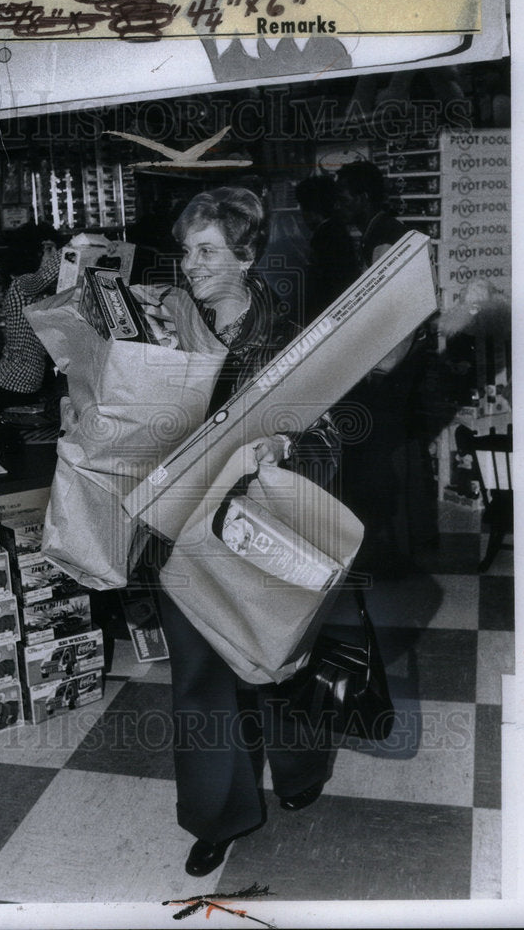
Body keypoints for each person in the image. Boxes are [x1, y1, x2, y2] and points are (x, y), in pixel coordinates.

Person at [148, 187, 343, 877]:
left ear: (247, 254)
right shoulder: (170, 334)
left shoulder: (288, 339)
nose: (190, 265)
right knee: (200, 675)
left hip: (263, 528)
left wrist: (281, 450)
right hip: (185, 530)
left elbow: (326, 441)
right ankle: (218, 815)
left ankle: (299, 769)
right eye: (185, 251)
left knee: (278, 660)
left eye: (206, 251)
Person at [333, 161, 430, 568]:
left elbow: (391, 314)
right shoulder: (388, 230)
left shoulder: (382, 241)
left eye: (344, 196)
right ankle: (402, 543)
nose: (339, 204)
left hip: (392, 366)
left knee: (379, 454)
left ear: (363, 197)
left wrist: (378, 368)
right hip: (404, 363)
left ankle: (387, 549)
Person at [0, 238, 63, 409]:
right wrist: (70, 250)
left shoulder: (39, 294)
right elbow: (43, 277)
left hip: (26, 383)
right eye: (47, 250)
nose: (51, 255)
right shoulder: (21, 284)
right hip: (14, 383)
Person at [294, 174, 358, 325]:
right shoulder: (337, 231)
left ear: (311, 211)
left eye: (303, 209)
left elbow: (319, 291)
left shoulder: (323, 239)